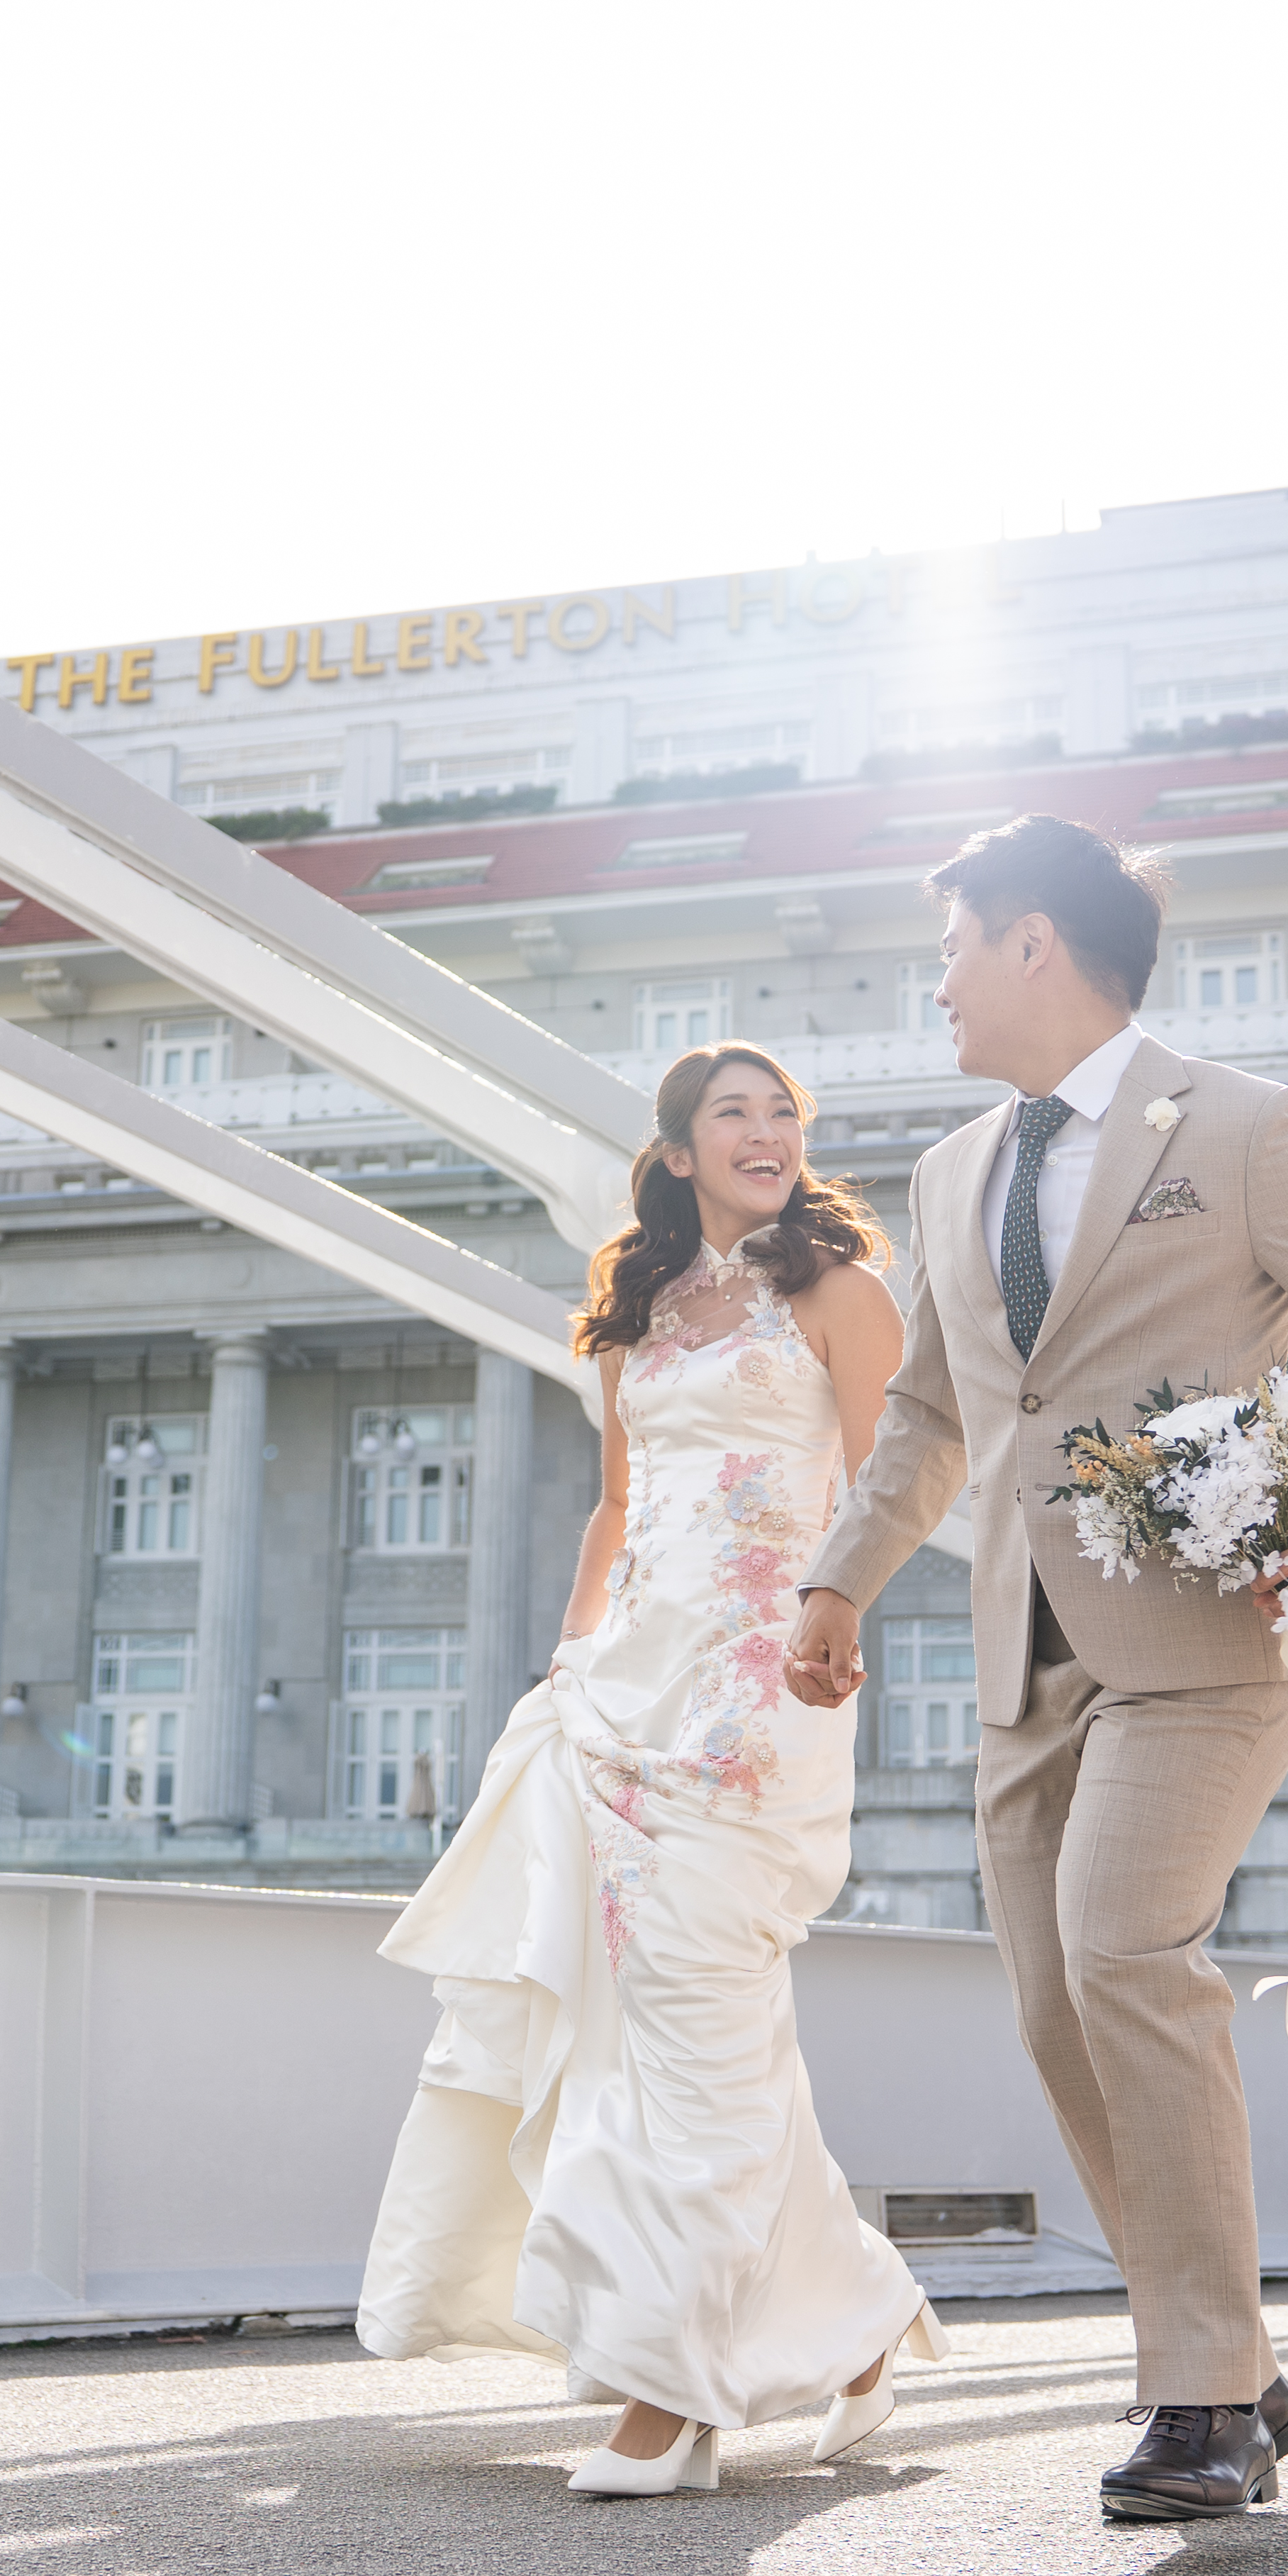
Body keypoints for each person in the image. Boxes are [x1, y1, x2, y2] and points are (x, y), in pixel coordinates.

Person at [785, 815, 1288, 2523]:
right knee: (1055, 2004)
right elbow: (933, 1417)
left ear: (1034, 942)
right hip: (1023, 1645)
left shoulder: (1244, 1126)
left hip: (1207, 1631)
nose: (937, 982)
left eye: (952, 946)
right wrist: (840, 1580)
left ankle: (1201, 2394)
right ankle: (1231, 2346)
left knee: (1127, 1950)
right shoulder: (949, 1171)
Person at [358, 1044, 945, 2495]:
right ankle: (860, 2319)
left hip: (766, 1689)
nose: (767, 1129)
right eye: (734, 1112)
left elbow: (893, 1479)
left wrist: (838, 1610)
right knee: (673, 2031)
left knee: (696, 2002)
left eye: (784, 1111)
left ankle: (667, 2386)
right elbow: (617, 1505)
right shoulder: (640, 1311)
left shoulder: (845, 1294)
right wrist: (570, 1658)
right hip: (619, 1692)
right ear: (679, 1151)